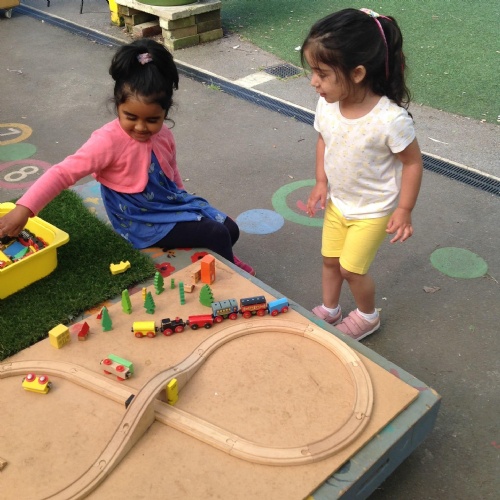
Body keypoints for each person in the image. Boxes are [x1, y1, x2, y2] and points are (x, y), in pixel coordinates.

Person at [0, 39, 254, 276]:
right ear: (117, 106)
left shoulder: (164, 134)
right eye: (130, 117)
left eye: (152, 119)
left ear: (165, 113)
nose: (141, 127)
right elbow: (62, 173)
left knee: (230, 229)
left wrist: (183, 199)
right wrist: (24, 209)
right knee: (215, 233)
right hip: (138, 220)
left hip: (167, 203)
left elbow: (170, 169)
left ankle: (225, 256)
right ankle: (231, 273)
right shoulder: (107, 141)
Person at [301, 8, 423, 340]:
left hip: (372, 210)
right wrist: (321, 181)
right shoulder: (327, 104)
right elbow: (324, 139)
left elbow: (413, 163)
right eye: (312, 72)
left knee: (351, 269)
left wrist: (404, 209)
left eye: (322, 74)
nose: (314, 82)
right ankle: (330, 309)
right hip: (339, 203)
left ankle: (367, 317)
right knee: (330, 260)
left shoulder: (390, 120)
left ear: (356, 73)